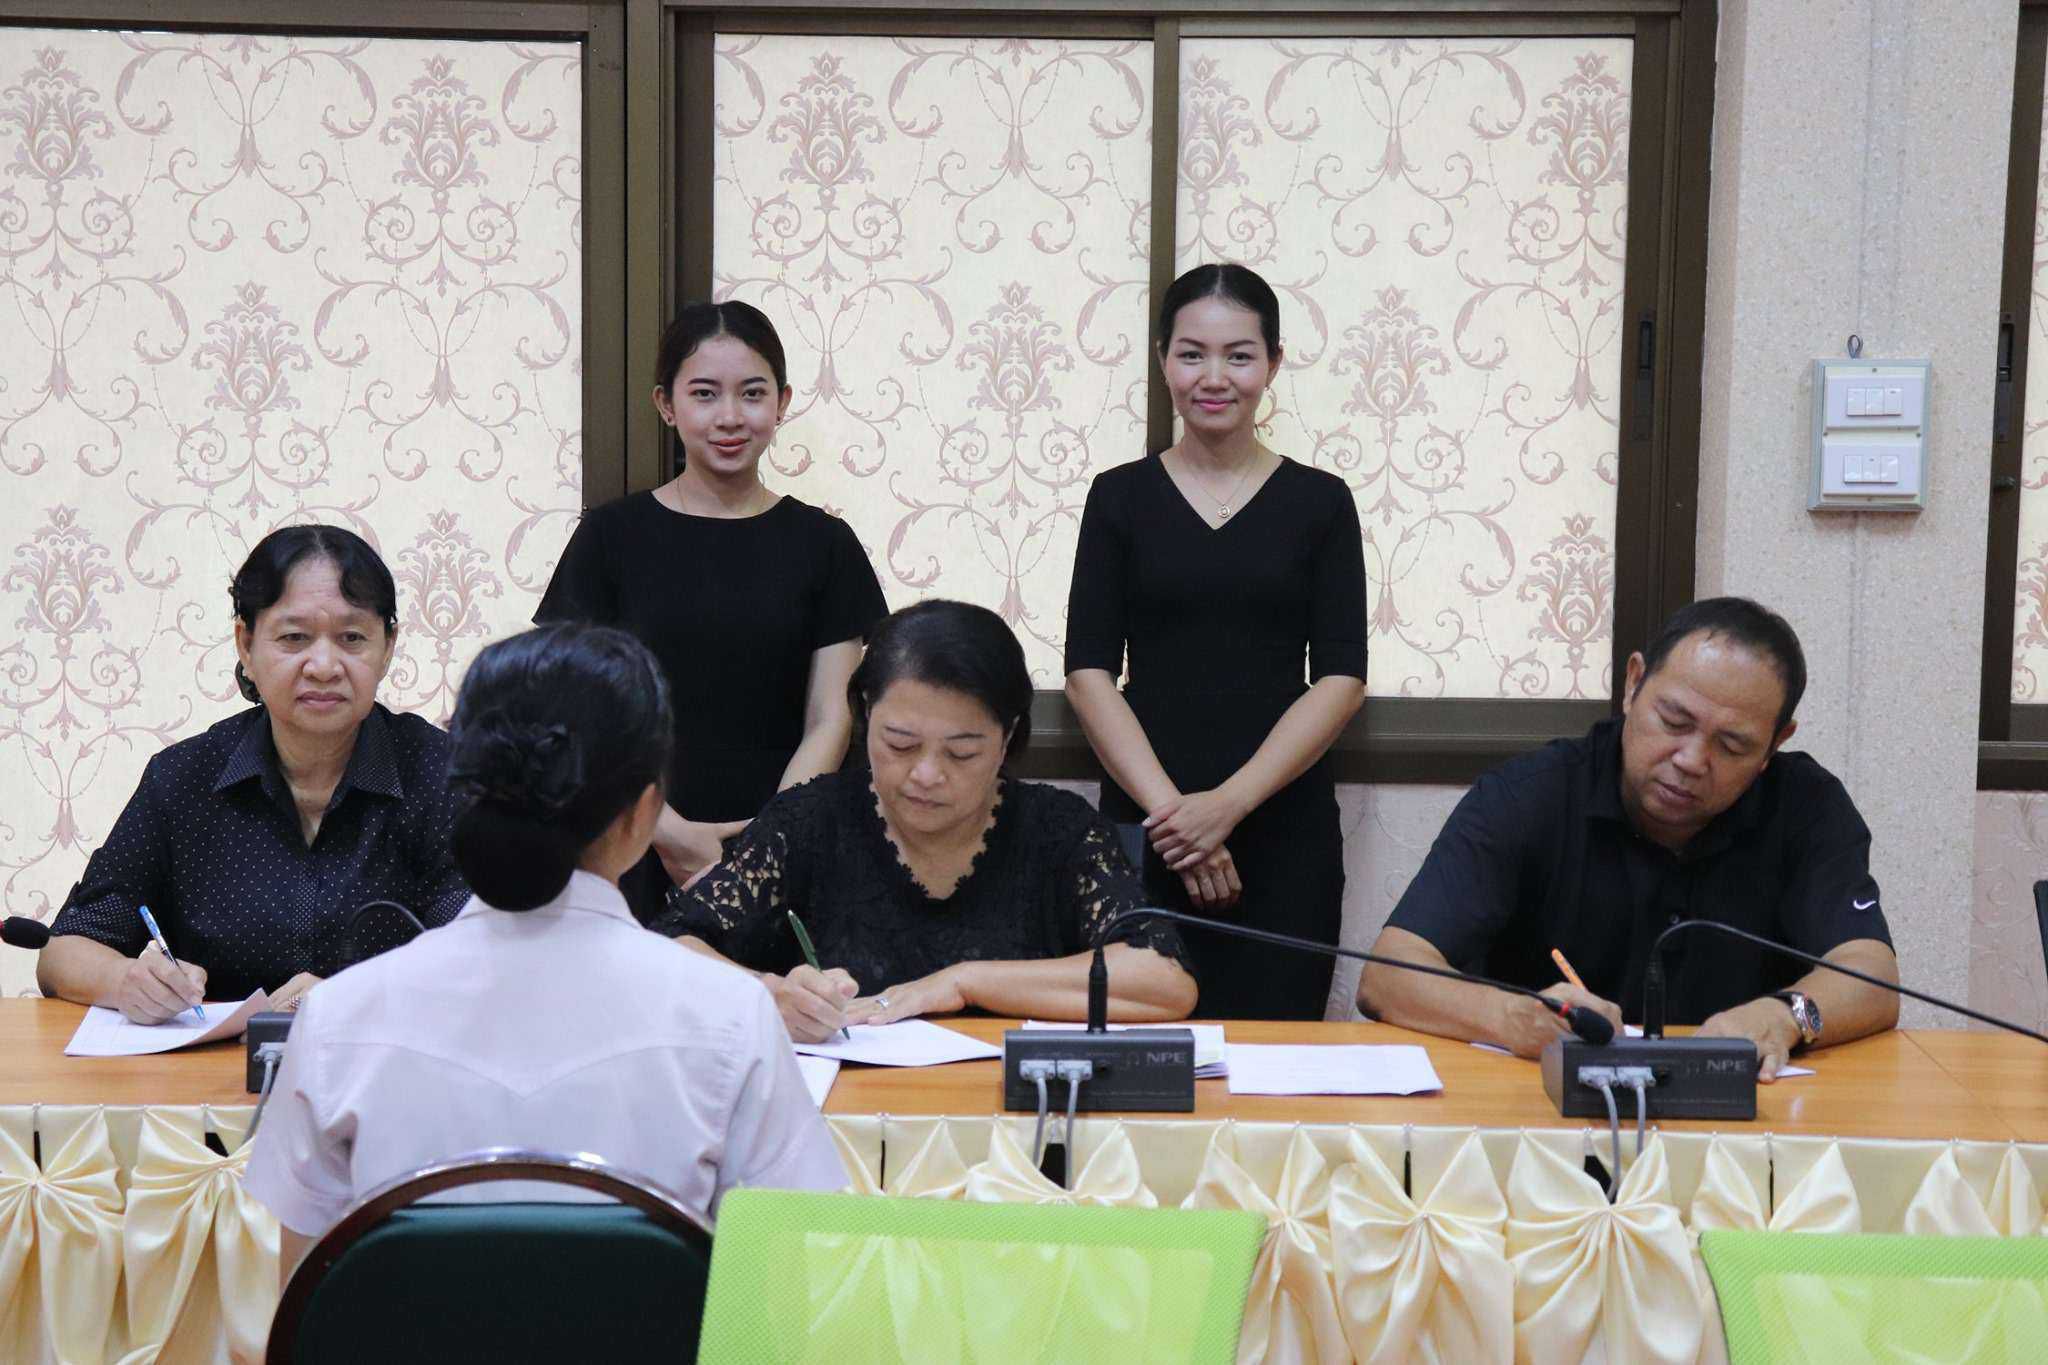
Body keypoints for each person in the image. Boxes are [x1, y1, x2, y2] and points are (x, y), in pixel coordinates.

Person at [243, 622, 845, 1273]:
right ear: (644, 813)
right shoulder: (732, 1018)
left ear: (462, 793)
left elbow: (303, 1301)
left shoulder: (337, 1018)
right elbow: (779, 1290)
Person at [1359, 597, 1900, 1081]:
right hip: (1541, 1113)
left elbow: (1873, 974)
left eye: (1732, 746)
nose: (1691, 760)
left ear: (1774, 745)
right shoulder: (1531, 795)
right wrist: (1509, 1017)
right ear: (1633, 683)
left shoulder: (1807, 808)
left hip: (1742, 1119)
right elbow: (1387, 975)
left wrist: (1785, 1014)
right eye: (1674, 721)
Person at [652, 599, 1198, 1043]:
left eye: (962, 753)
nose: (926, 775)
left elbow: (1164, 980)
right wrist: (767, 994)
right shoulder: (810, 821)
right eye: (900, 744)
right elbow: (667, 948)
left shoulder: (1060, 831)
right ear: (866, 715)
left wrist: (964, 982)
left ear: (1007, 738)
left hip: (1018, 1124)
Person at [1063, 263, 1367, 1020]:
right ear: (1163, 359)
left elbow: (1341, 677)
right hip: (1147, 819)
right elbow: (1088, 671)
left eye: (1239, 355)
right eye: (1192, 354)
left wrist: (1226, 807)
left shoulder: (1321, 502)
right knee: (1139, 1049)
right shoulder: (1118, 496)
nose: (1214, 377)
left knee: (1280, 1054)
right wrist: (1178, 821)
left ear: (1273, 364)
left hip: (1281, 822)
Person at [536, 300, 888, 920]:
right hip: (626, 838)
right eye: (704, 394)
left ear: (782, 402)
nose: (730, 417)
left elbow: (830, 717)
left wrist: (768, 843)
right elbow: (573, 707)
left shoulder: (825, 544)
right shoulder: (610, 537)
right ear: (666, 404)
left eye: (752, 394)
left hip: (784, 847)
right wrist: (663, 829)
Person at [37, 526, 467, 1022]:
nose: (323, 666)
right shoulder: (184, 779)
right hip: (215, 1069)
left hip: (385, 1062)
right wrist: (126, 980)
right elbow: (63, 952)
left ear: (387, 647)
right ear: (246, 644)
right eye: (294, 638)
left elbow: (490, 958)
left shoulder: (445, 774)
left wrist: (358, 997)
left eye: (352, 638)